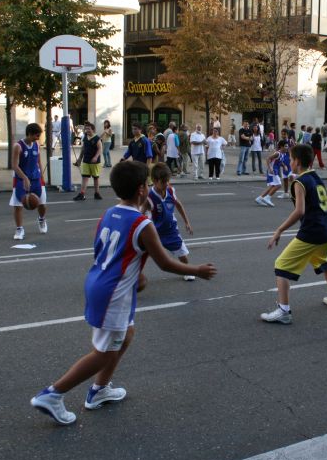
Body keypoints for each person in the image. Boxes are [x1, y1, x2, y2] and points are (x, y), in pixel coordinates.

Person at [30, 161, 216, 426]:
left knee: (127, 333)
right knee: (103, 352)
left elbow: (104, 250)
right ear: (142, 189)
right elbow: (164, 262)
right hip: (113, 293)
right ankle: (52, 394)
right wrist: (196, 270)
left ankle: (99, 390)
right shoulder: (142, 224)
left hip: (102, 282)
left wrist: (135, 274)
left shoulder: (109, 213)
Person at [261, 144, 327, 324]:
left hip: (312, 232)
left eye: (290, 159)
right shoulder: (315, 177)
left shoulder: (299, 182)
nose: (289, 162)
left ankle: (284, 311)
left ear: (297, 162)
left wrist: (279, 230)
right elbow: (326, 200)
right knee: (323, 262)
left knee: (281, 265)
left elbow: (300, 211)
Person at [143, 163, 196, 281]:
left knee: (182, 253)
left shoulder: (170, 191)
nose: (166, 184)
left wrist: (187, 222)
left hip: (170, 230)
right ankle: (133, 275)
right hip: (154, 232)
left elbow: (179, 205)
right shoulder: (150, 196)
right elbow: (141, 212)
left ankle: (187, 271)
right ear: (154, 181)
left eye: (168, 181)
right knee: (139, 254)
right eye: (163, 182)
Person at [11, 123, 48, 240]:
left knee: (41, 204)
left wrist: (42, 176)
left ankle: (41, 219)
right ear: (30, 134)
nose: (38, 138)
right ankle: (19, 229)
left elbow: (39, 161)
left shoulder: (36, 144)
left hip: (36, 178)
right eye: (37, 135)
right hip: (21, 179)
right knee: (18, 205)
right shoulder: (18, 146)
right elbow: (15, 166)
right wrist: (25, 178)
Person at [74, 122, 103, 201]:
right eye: (86, 129)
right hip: (86, 160)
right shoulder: (85, 137)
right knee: (85, 177)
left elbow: (100, 149)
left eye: (88, 129)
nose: (87, 130)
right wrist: (80, 158)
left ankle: (97, 193)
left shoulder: (97, 138)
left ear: (93, 129)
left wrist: (96, 157)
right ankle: (82, 194)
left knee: (95, 178)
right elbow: (83, 148)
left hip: (95, 162)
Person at [256, 140, 288, 207]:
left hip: (274, 171)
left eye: (287, 146)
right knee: (279, 185)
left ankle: (259, 198)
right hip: (272, 171)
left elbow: (279, 161)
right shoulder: (277, 153)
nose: (287, 147)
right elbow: (268, 159)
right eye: (285, 146)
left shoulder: (283, 154)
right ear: (281, 147)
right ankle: (267, 198)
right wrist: (270, 168)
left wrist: (284, 166)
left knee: (272, 186)